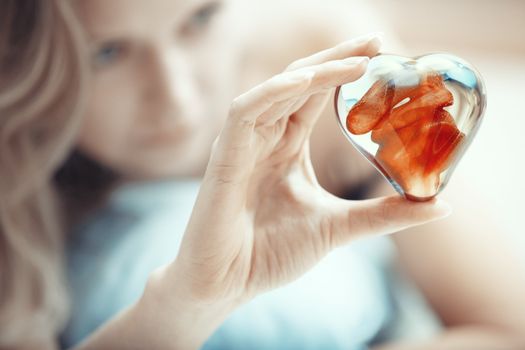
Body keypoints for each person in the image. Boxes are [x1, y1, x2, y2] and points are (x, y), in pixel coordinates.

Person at [1, 0, 525, 349]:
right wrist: (190, 301)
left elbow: (504, 329)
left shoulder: (329, 66)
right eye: (107, 53)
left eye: (200, 18)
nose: (176, 96)